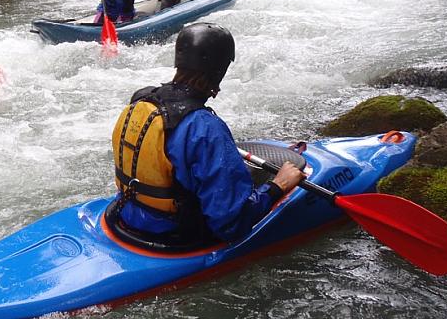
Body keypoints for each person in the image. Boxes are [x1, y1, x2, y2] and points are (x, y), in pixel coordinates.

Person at [107, 23, 303, 246]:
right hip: (175, 233)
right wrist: (278, 186)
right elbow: (231, 223)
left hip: (126, 213)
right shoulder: (206, 128)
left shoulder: (142, 100)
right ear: (219, 71)